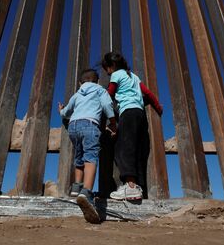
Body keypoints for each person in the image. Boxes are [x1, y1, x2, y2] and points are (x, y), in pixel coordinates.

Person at [101, 51, 163, 201]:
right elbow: (147, 93)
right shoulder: (133, 76)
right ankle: (139, 188)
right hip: (140, 114)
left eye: (107, 70)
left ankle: (130, 187)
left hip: (127, 113)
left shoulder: (117, 74)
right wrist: (158, 107)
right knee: (138, 151)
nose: (108, 74)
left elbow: (109, 93)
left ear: (113, 66)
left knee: (123, 148)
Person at [59, 69, 117, 223]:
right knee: (90, 157)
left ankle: (76, 188)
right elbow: (107, 104)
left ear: (80, 82)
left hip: (73, 126)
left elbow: (66, 111)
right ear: (96, 81)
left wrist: (61, 111)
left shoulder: (77, 94)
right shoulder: (100, 90)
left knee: (79, 154)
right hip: (90, 124)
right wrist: (112, 121)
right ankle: (87, 192)